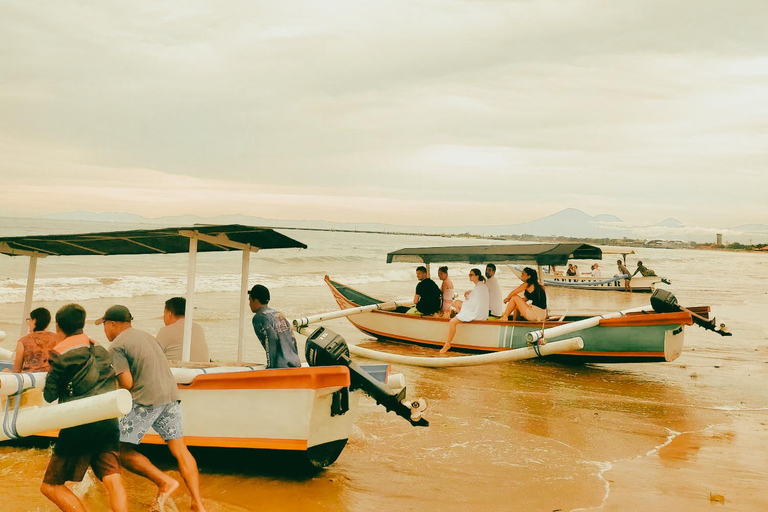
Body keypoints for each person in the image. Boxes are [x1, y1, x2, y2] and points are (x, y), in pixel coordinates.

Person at [98, 305, 207, 512]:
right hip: (170, 396)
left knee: (121, 450)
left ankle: (164, 482)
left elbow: (128, 383)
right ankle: (198, 503)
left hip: (146, 400)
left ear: (112, 324)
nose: (104, 330)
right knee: (180, 450)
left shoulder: (116, 346)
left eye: (104, 325)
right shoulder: (147, 336)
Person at [41, 303, 128, 512]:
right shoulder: (99, 348)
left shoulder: (60, 353)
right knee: (112, 481)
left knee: (50, 486)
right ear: (82, 325)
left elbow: (49, 394)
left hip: (79, 424)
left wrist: (49, 372)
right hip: (108, 421)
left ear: (58, 327)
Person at [248, 284, 301, 369]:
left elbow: (271, 339)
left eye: (250, 300)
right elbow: (292, 338)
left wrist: (271, 366)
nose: (249, 304)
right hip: (295, 363)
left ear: (256, 301)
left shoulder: (259, 317)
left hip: (280, 367)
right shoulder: (278, 314)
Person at [440, 269, 489, 353]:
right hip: (480, 311)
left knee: (452, 322)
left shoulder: (479, 287)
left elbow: (472, 304)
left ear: (477, 276)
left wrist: (468, 297)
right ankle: (460, 315)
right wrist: (469, 293)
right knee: (456, 303)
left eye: (471, 275)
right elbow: (474, 299)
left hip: (476, 313)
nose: (470, 276)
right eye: (469, 275)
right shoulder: (481, 286)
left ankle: (447, 344)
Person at [156, 297, 210, 362]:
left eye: (164, 313)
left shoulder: (165, 331)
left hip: (179, 370)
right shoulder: (198, 328)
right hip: (202, 369)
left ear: (169, 314)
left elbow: (153, 356)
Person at [12, 307, 59, 373]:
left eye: (30, 320)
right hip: (51, 377)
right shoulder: (57, 338)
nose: (28, 323)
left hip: (31, 380)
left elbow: (17, 370)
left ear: (34, 320)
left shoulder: (23, 342)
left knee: (5, 370)